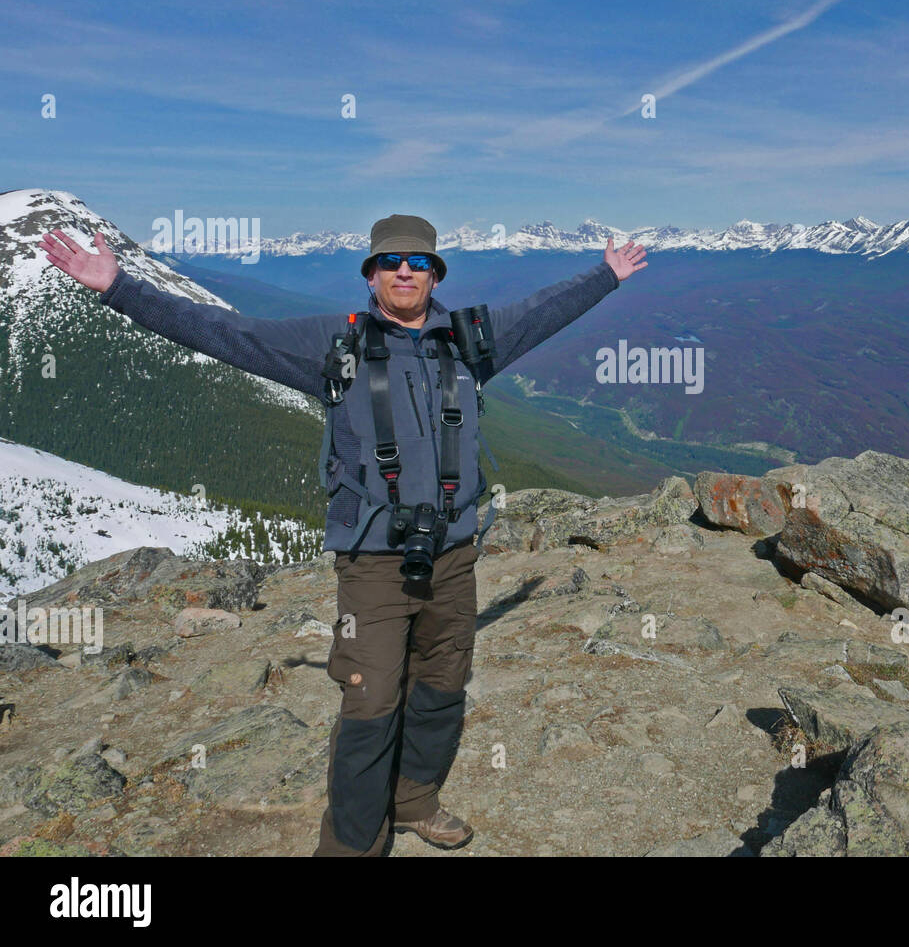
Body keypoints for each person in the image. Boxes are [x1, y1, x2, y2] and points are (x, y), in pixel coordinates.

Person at [42, 213, 647, 855]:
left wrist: (604, 276)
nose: (405, 270)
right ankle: (353, 845)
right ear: (371, 274)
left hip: (455, 550)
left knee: (443, 683)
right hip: (373, 560)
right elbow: (226, 333)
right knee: (371, 700)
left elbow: (542, 311)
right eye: (391, 261)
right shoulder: (334, 344)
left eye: (418, 260)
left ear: (436, 272)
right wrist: (119, 288)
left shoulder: (470, 339)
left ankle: (415, 800)